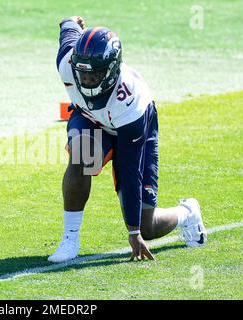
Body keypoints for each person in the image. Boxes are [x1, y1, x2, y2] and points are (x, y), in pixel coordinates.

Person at [48, 16, 207, 263]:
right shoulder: (67, 63)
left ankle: (187, 213)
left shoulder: (130, 100)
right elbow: (67, 32)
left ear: (112, 68)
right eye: (83, 72)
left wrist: (134, 233)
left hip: (132, 128)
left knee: (147, 227)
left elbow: (130, 170)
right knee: (82, 155)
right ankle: (70, 239)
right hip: (90, 119)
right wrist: (70, 22)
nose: (87, 80)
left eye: (95, 74)